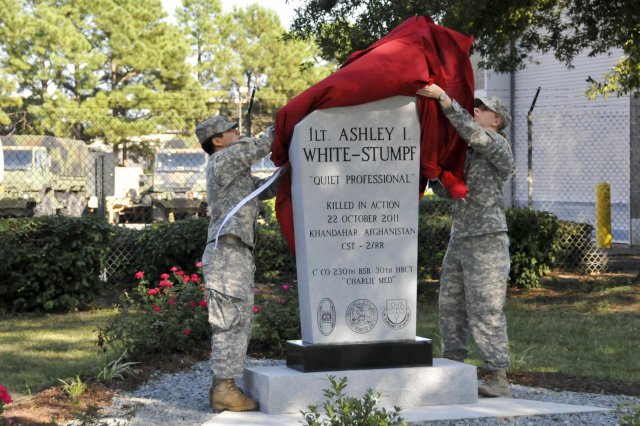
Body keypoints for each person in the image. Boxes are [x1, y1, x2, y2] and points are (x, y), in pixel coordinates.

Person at [416, 84, 514, 398]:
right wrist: (436, 173)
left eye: (482, 108)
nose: (476, 110)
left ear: (496, 120)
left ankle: (498, 377)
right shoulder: (469, 151)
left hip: (487, 241)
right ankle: (453, 366)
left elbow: (471, 131)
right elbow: (450, 192)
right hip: (460, 238)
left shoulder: (497, 144)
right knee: (450, 306)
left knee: (485, 310)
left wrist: (444, 99)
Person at [196, 115, 279, 411]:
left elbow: (264, 189)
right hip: (227, 253)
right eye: (231, 130)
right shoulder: (223, 161)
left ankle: (225, 387)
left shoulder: (233, 170)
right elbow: (260, 146)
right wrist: (284, 123)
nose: (237, 132)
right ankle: (224, 388)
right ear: (217, 140)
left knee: (238, 319)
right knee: (230, 321)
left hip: (236, 253)